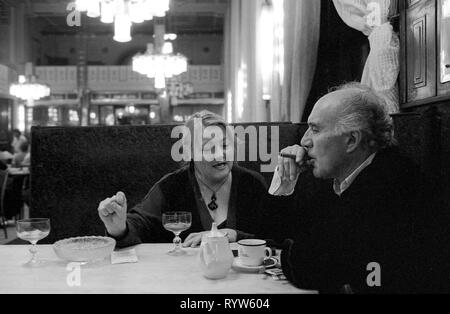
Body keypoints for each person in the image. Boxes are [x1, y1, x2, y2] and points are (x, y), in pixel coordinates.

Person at [265, 83, 448, 294]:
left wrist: (293, 248)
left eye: (315, 129)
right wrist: (286, 181)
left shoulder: (391, 184)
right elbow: (272, 234)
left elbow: (307, 268)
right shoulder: (340, 176)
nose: (304, 140)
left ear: (351, 140)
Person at [98, 111, 268, 248]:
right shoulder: (171, 187)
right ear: (190, 153)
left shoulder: (252, 184)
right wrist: (119, 228)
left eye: (225, 145)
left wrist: (233, 235)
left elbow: (276, 238)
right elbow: (141, 225)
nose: (219, 154)